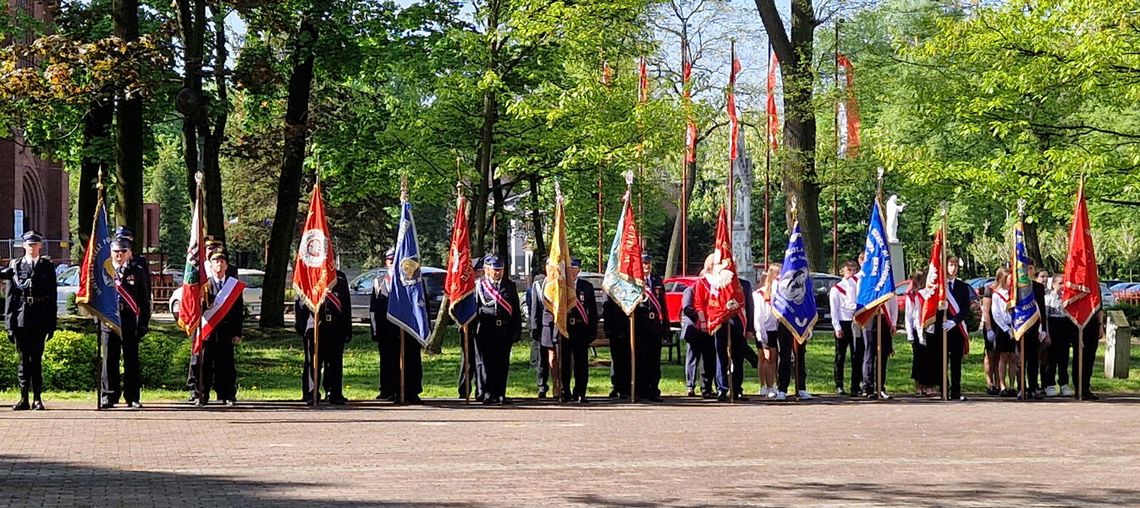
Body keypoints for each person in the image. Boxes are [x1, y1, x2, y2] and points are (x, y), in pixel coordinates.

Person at [1, 231, 57, 410]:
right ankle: (23, 398)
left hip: (40, 317)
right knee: (23, 360)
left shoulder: (47, 266)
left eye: (35, 244)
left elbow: (52, 297)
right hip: (21, 318)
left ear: (40, 246)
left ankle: (37, 398)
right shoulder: (16, 266)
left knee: (37, 360)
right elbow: (10, 298)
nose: (32, 248)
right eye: (29, 244)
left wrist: (51, 324)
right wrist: (9, 325)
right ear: (24, 245)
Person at [99, 235, 152, 409]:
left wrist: (143, 323)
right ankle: (108, 396)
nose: (119, 255)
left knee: (131, 359)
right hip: (109, 320)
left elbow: (144, 299)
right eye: (116, 251)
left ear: (129, 253)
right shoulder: (104, 270)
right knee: (109, 359)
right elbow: (97, 296)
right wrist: (98, 319)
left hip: (129, 319)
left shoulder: (137, 271)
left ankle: (132, 397)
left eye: (123, 251)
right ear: (110, 252)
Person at [295, 270, 353, 405]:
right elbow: (301, 302)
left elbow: (345, 304)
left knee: (335, 362)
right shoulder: (309, 273)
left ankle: (334, 392)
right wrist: (302, 325)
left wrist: (347, 328)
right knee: (313, 362)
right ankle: (311, 392)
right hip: (314, 326)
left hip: (335, 326)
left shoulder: (339, 277)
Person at [546, 258, 597, 403]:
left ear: (578, 270)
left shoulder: (586, 287)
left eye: (574, 269)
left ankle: (580, 392)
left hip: (581, 329)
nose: (572, 272)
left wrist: (591, 331)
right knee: (564, 363)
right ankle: (564, 391)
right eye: (569, 269)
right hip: (565, 328)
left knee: (581, 363)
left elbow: (592, 311)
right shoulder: (560, 286)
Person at [473, 255, 521, 404]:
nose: (498, 272)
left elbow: (515, 309)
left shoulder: (509, 286)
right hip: (486, 329)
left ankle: (500, 393)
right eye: (495, 269)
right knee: (486, 363)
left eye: (500, 269)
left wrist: (517, 329)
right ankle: (487, 392)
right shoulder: (480, 286)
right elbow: (476, 309)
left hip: (504, 330)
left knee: (502, 363)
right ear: (486, 269)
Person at [198, 251, 243, 406]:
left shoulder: (233, 286)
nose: (219, 264)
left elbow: (238, 312)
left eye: (222, 261)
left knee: (226, 365)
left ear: (226, 266)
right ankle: (203, 395)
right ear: (211, 265)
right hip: (209, 331)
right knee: (206, 365)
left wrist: (237, 333)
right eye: (216, 261)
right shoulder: (204, 285)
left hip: (226, 332)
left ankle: (228, 395)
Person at [634, 253, 667, 402]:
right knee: (641, 359)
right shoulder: (635, 282)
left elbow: (663, 305)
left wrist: (665, 326)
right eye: (643, 264)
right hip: (640, 325)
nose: (646, 266)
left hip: (655, 326)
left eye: (648, 263)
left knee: (654, 360)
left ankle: (653, 390)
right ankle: (640, 390)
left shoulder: (657, 281)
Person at [370, 248, 399, 401]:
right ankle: (386, 390)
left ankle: (401, 389)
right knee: (386, 360)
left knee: (401, 360)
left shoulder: (404, 281)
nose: (392, 263)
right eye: (390, 260)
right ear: (386, 262)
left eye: (395, 260)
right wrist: (375, 330)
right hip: (385, 329)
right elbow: (373, 308)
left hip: (401, 328)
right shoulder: (379, 281)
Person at [829, 260, 860, 396]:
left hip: (856, 322)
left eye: (854, 270)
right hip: (843, 323)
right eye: (849, 270)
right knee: (840, 356)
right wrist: (837, 327)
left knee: (856, 355)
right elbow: (834, 310)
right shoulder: (837, 289)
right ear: (843, 271)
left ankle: (856, 385)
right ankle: (839, 384)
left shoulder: (858, 286)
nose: (852, 273)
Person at [943, 257, 972, 401]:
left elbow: (966, 308)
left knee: (956, 362)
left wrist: (955, 321)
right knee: (942, 361)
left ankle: (955, 390)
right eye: (950, 265)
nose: (953, 268)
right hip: (942, 328)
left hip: (957, 328)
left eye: (955, 265)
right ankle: (944, 388)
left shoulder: (962, 286)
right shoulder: (940, 286)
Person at [1042, 273, 1074, 397]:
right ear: (1054, 284)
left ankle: (1064, 383)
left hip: (1064, 330)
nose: (1062, 286)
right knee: (1051, 359)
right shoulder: (1048, 298)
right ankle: (1049, 384)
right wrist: (1047, 334)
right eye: (1060, 283)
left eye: (1064, 283)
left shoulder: (1067, 298)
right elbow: (1045, 318)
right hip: (1053, 329)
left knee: (1064, 359)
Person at [682, 282, 715, 399]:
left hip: (707, 330)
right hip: (694, 329)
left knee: (707, 359)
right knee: (692, 358)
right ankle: (690, 385)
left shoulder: (711, 290)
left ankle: (706, 387)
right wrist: (699, 319)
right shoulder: (690, 290)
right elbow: (687, 308)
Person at [457, 259, 484, 400]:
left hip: (483, 326)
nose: (480, 273)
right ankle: (464, 389)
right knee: (468, 359)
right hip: (468, 325)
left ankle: (481, 389)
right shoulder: (465, 287)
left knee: (481, 359)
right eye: (478, 271)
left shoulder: (484, 286)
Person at [988, 267, 1018, 397]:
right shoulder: (997, 294)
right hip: (1003, 328)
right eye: (1008, 279)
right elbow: (996, 314)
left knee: (1013, 357)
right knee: (1003, 356)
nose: (1011, 281)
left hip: (1015, 326)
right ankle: (1002, 385)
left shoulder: (1014, 293)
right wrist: (1006, 329)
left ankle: (1012, 385)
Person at [904, 269, 934, 396]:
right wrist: (910, 334)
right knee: (919, 359)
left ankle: (929, 384)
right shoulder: (913, 296)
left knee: (930, 359)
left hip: (930, 330)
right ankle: (919, 384)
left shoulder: (931, 293)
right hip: (918, 331)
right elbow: (909, 316)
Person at [752, 265, 779, 398]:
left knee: (772, 358)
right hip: (763, 329)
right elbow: (758, 315)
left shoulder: (779, 293)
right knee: (765, 358)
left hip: (775, 328)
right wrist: (761, 334)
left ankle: (770, 385)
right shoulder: (759, 294)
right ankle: (765, 386)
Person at [526, 269, 550, 398]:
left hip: (557, 326)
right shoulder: (538, 286)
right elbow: (533, 308)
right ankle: (542, 385)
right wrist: (534, 327)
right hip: (542, 327)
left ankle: (561, 387)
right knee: (542, 358)